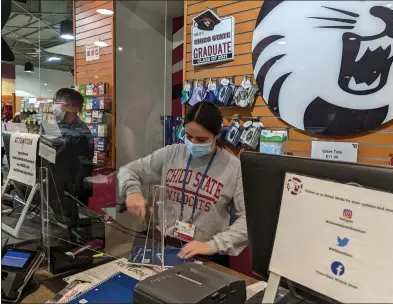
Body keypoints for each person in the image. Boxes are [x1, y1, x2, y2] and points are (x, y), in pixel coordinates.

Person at [118, 102, 247, 267]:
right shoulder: (171, 153)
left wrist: (213, 245)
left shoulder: (234, 168)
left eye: (201, 139)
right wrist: (132, 191)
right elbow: (129, 171)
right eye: (188, 136)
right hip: (165, 247)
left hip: (207, 255)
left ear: (217, 135)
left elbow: (248, 220)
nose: (193, 143)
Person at [49, 88, 94, 226]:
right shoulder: (52, 126)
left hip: (73, 191)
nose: (55, 108)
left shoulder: (82, 133)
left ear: (72, 107)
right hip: (55, 187)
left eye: (58, 104)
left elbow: (83, 168)